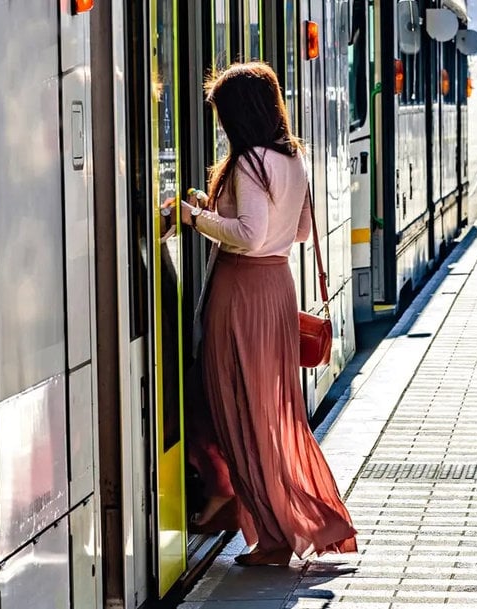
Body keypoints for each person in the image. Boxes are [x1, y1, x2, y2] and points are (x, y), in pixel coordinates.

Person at [177, 62, 357, 567]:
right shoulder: (291, 159)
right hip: (277, 287)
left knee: (231, 403)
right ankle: (265, 513)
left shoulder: (249, 162)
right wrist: (217, 211)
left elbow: (249, 235)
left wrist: (195, 217)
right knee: (266, 411)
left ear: (239, 113)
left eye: (222, 113)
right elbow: (298, 232)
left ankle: (273, 533)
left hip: (242, 290)